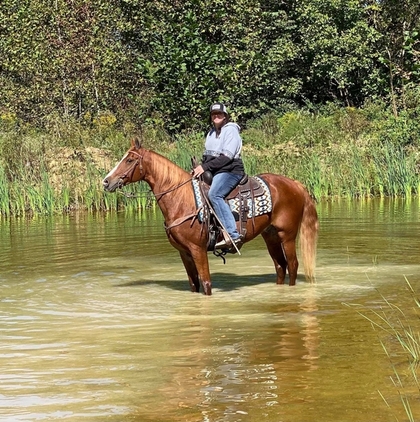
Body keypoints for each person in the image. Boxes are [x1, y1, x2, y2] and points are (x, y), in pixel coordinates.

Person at [192, 103, 245, 249]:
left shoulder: (231, 131)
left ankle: (233, 235)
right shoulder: (210, 133)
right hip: (215, 171)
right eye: (213, 114)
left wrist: (204, 167)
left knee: (214, 194)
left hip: (230, 171)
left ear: (225, 116)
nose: (216, 116)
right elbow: (209, 157)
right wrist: (199, 168)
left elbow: (226, 158)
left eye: (219, 114)